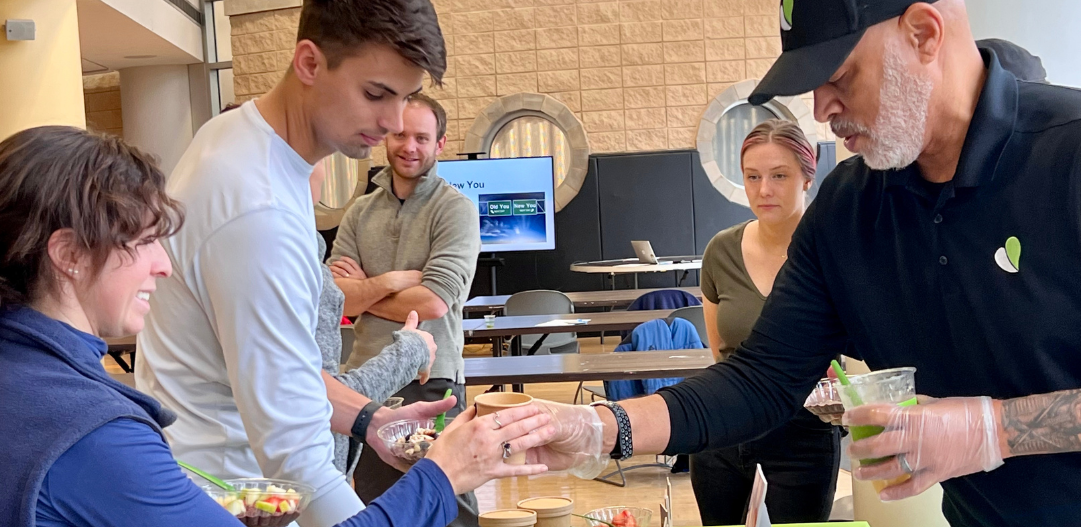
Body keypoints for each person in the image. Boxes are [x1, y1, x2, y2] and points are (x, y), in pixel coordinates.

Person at [532, 1, 1081, 525]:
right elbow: (761, 376)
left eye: (840, 76)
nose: (821, 109)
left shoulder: (1067, 154)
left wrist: (996, 429)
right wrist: (601, 426)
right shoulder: (849, 209)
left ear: (924, 35)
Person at [0, 125, 554, 527]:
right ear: (69, 253)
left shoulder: (29, 382)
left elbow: (277, 372)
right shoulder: (94, 433)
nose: (163, 264)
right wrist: (445, 472)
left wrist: (366, 418)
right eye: (143, 241)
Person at [134, 1, 461, 525]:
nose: (393, 122)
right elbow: (296, 455)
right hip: (230, 493)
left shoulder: (232, 136)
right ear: (309, 63)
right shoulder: (257, 208)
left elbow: (283, 371)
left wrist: (367, 420)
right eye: (376, 94)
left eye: (403, 98)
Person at [327, 93, 481, 525]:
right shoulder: (359, 211)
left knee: (447, 502)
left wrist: (364, 290)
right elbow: (335, 296)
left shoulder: (456, 211)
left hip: (432, 380)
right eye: (399, 133)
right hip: (364, 382)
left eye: (421, 137)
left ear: (440, 143)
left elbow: (434, 301)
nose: (408, 146)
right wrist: (396, 281)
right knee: (379, 505)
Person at [690, 120, 840, 525]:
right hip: (725, 424)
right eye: (752, 177)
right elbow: (721, 353)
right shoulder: (721, 251)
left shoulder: (835, 250)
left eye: (779, 176)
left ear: (808, 178)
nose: (764, 190)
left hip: (804, 432)